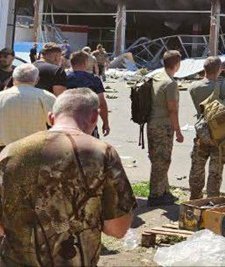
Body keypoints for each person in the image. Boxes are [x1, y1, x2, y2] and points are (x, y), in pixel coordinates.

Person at [0, 88, 136, 266]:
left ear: (50, 117)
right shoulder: (101, 153)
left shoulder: (11, 151)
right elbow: (117, 228)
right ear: (95, 117)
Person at [188, 57, 225, 200]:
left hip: (202, 134)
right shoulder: (224, 86)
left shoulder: (194, 87)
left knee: (197, 167)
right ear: (220, 69)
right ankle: (212, 200)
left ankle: (195, 198)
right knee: (215, 171)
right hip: (221, 137)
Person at [147, 50, 183, 206]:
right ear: (177, 64)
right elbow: (172, 110)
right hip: (163, 126)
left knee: (158, 159)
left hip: (151, 124)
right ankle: (155, 195)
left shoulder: (156, 77)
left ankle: (164, 190)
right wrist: (178, 131)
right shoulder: (170, 83)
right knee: (161, 160)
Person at [0, 63, 55, 152]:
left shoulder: (1, 96)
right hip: (34, 150)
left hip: (3, 151)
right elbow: (55, 122)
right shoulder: (46, 97)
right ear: (37, 80)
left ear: (13, 79)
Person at [66, 51, 110, 137]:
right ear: (85, 63)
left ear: (71, 63)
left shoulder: (64, 77)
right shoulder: (94, 79)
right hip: (88, 122)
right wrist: (105, 123)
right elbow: (101, 104)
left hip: (67, 121)